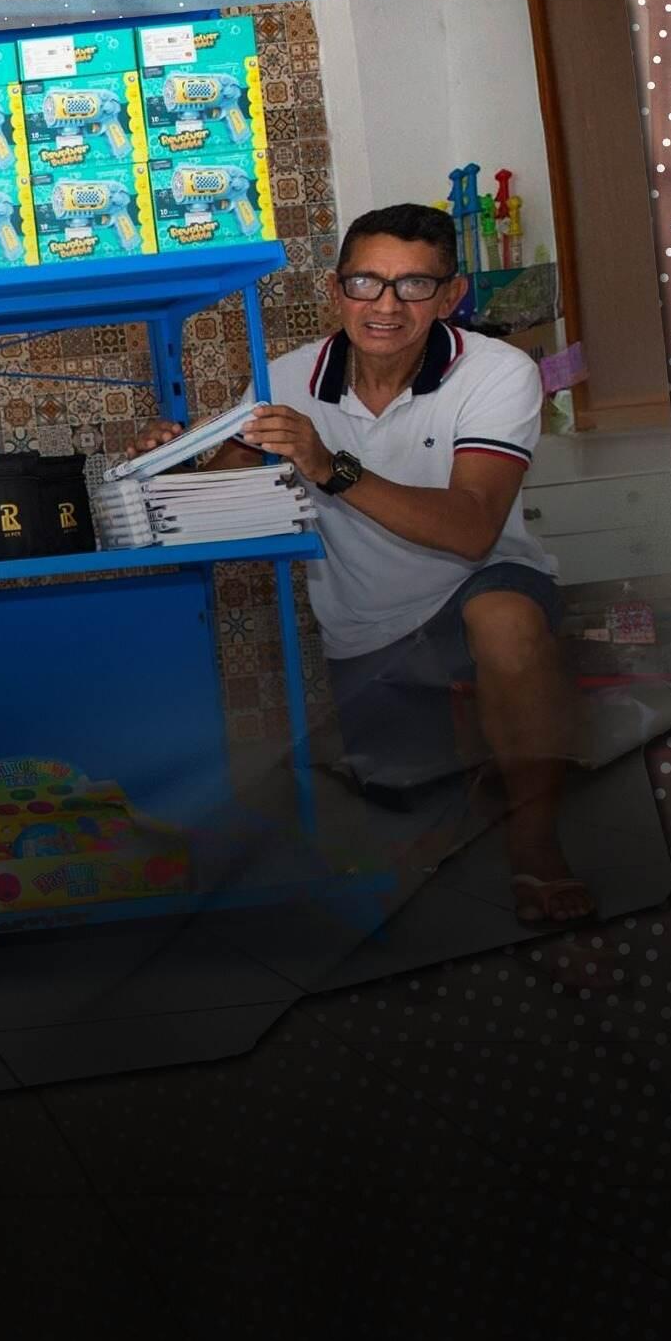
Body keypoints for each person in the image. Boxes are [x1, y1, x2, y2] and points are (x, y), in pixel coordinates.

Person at [132, 203, 592, 927]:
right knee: (417, 853)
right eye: (365, 283)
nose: (385, 305)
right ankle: (472, 804)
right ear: (336, 290)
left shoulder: (496, 373)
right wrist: (168, 463)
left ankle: (538, 848)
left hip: (479, 581)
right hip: (365, 625)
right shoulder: (284, 378)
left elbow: (474, 530)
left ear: (451, 296)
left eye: (413, 286)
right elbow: (214, 496)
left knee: (503, 619)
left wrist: (331, 467)